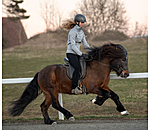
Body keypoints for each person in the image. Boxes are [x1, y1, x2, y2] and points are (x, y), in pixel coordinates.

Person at [62, 14, 91, 94]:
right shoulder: (72, 32)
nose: (82, 24)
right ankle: (74, 88)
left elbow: (85, 44)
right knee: (77, 67)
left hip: (77, 54)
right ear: (77, 22)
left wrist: (92, 52)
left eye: (83, 22)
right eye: (81, 22)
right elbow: (73, 46)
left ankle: (84, 86)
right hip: (71, 53)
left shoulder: (81, 32)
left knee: (85, 66)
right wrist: (81, 54)